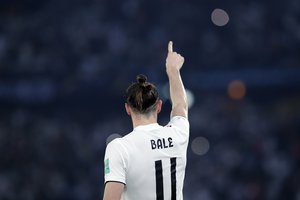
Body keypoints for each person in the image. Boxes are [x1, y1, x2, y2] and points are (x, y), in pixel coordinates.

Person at [103, 41, 189, 200]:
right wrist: (173, 71)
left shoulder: (120, 148)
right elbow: (180, 106)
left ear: (128, 109)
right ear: (159, 106)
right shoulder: (178, 134)